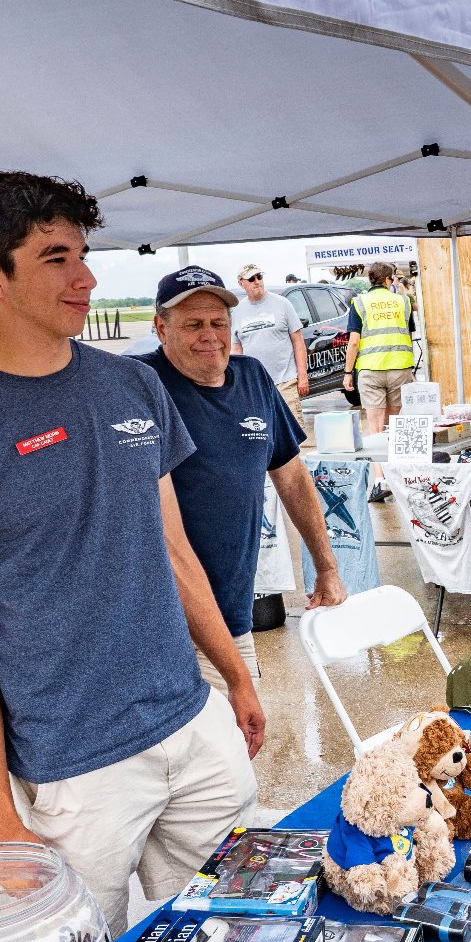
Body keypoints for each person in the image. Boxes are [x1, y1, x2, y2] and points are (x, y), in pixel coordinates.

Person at [0, 171, 265, 935]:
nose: (86, 277)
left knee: (242, 929)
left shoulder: (135, 388)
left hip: (193, 725)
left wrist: (234, 675)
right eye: (56, 257)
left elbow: (175, 549)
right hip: (75, 769)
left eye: (85, 253)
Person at [132, 264, 348, 689]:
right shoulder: (139, 383)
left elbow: (291, 476)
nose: (209, 335)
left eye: (218, 322)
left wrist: (326, 567)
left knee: (242, 742)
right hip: (156, 624)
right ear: (160, 328)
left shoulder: (252, 377)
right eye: (192, 324)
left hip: (231, 614)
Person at [343, 260, 416, 436]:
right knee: (395, 427)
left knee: (376, 430)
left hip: (371, 369)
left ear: (370, 280)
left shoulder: (359, 302)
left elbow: (353, 342)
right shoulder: (403, 301)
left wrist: (347, 373)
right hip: (399, 368)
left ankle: (378, 463)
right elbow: (409, 334)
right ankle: (394, 462)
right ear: (388, 280)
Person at [230, 263, 309, 415]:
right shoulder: (238, 311)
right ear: (241, 283)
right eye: (251, 278)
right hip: (255, 385)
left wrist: (302, 376)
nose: (257, 281)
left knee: (293, 434)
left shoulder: (282, 303)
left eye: (259, 277)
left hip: (285, 382)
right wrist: (238, 383)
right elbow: (236, 349)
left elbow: (298, 341)